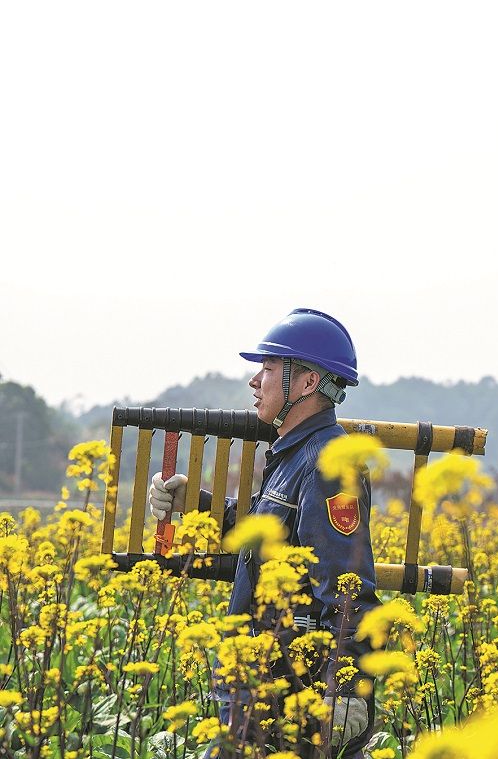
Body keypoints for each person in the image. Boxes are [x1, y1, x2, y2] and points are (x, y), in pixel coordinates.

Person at [147, 308, 380, 757]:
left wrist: (349, 687)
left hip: (289, 688)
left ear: (308, 382)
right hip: (258, 684)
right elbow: (268, 535)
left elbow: (347, 586)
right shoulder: (294, 455)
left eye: (269, 368)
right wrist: (195, 505)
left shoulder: (331, 465)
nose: (255, 380)